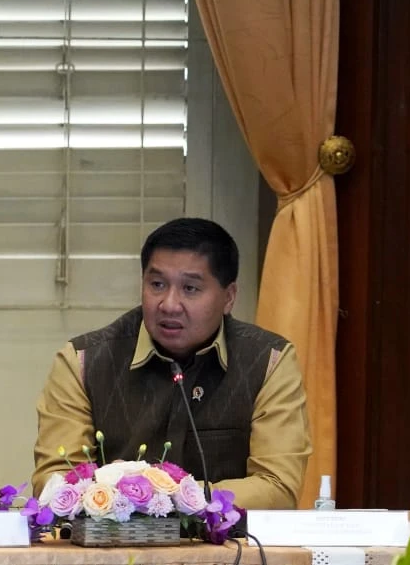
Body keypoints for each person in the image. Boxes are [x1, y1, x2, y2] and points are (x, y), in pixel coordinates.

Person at [31, 217, 311, 509]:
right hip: (114, 535)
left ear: (228, 297)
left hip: (230, 539)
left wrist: (168, 497)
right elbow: (54, 480)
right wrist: (131, 501)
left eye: (190, 288)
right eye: (157, 284)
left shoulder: (268, 361)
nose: (169, 304)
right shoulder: (83, 361)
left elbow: (278, 486)